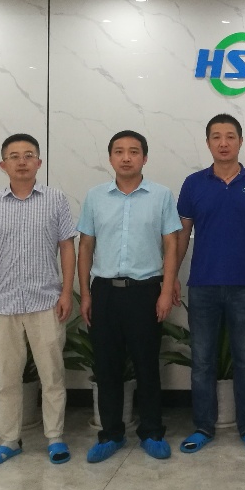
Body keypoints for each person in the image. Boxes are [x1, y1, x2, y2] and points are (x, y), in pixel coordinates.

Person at [0, 133, 77, 467]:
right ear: (3, 165)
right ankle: (9, 440)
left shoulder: (55, 200)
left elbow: (67, 247)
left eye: (28, 155)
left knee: (52, 376)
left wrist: (66, 292)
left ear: (39, 163)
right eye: (14, 156)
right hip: (2, 305)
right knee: (7, 379)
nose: (21, 161)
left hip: (46, 302)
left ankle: (55, 438)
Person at [77, 130, 181, 463]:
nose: (126, 157)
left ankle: (152, 431)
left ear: (144, 158)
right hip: (104, 292)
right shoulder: (95, 197)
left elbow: (171, 244)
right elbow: (86, 246)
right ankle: (110, 434)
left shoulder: (161, 196)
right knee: (106, 366)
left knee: (147, 364)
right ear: (110, 158)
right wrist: (85, 294)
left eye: (134, 151)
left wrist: (166, 290)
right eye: (119, 151)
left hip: (145, 291)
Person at [175, 114, 245, 454]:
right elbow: (182, 236)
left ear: (241, 141)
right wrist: (170, 278)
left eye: (230, 136)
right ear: (208, 143)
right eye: (216, 136)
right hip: (203, 285)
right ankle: (203, 426)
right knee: (202, 361)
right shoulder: (193, 184)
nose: (223, 143)